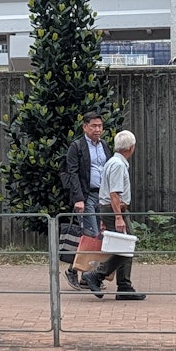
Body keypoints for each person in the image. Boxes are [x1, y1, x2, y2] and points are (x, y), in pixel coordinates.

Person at [81, 130, 146, 300]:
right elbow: (114, 193)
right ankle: (98, 275)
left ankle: (124, 286)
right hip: (116, 209)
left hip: (110, 209)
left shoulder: (112, 162)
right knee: (127, 246)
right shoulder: (118, 165)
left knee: (125, 246)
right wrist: (118, 217)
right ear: (131, 147)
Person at [63, 111, 112, 290]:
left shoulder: (104, 146)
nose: (97, 129)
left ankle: (86, 276)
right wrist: (78, 199)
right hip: (86, 195)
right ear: (85, 127)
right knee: (90, 233)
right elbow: (72, 173)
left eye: (100, 126)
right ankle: (72, 270)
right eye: (93, 126)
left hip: (102, 196)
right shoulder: (77, 147)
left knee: (98, 235)